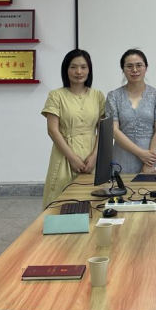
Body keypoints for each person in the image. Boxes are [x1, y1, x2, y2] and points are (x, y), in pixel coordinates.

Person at [41, 49, 105, 208]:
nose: (79, 72)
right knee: (62, 202)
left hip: (92, 156)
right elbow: (52, 130)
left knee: (94, 202)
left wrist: (95, 156)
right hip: (65, 155)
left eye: (83, 67)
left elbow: (103, 129)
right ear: (66, 69)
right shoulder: (56, 95)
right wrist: (72, 157)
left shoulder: (98, 95)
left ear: (89, 70)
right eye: (73, 67)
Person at [105, 49, 156, 174]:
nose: (134, 70)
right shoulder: (113, 96)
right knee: (121, 186)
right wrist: (140, 153)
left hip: (151, 157)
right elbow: (114, 131)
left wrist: (149, 162)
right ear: (123, 69)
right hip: (122, 156)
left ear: (146, 67)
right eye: (129, 66)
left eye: (139, 65)